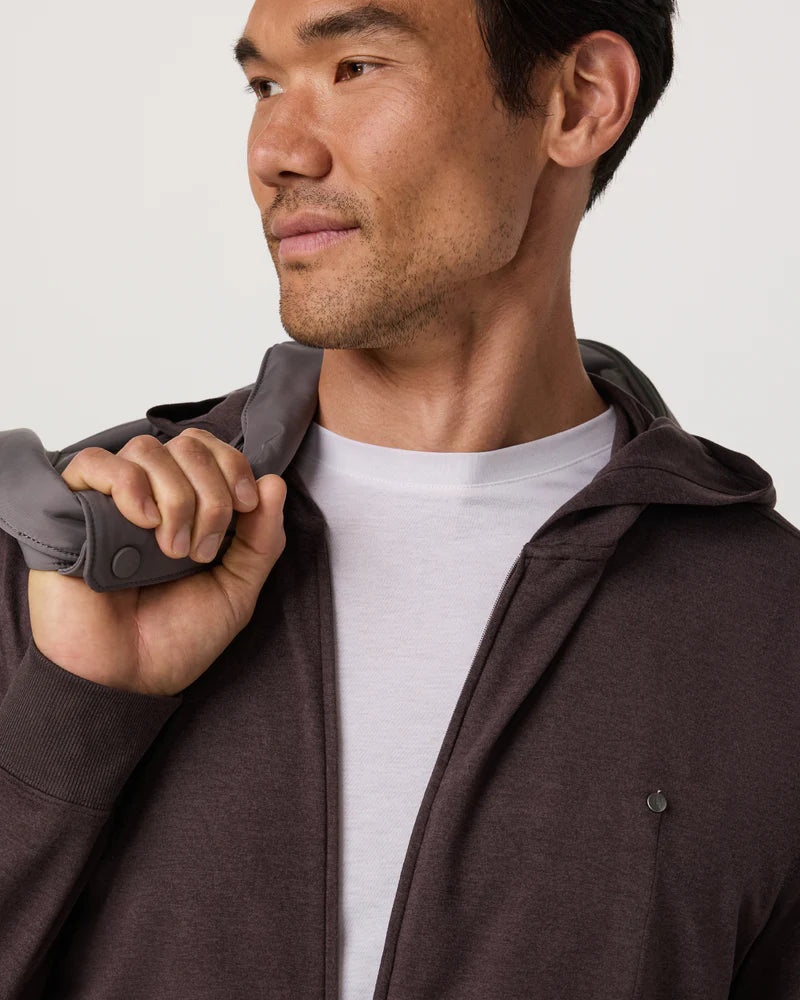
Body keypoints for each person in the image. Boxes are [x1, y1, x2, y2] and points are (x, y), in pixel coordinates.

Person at [1, 0, 798, 997]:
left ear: (579, 101)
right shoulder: (68, 555)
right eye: (263, 85)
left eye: (356, 67)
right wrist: (73, 712)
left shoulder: (768, 632)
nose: (276, 151)